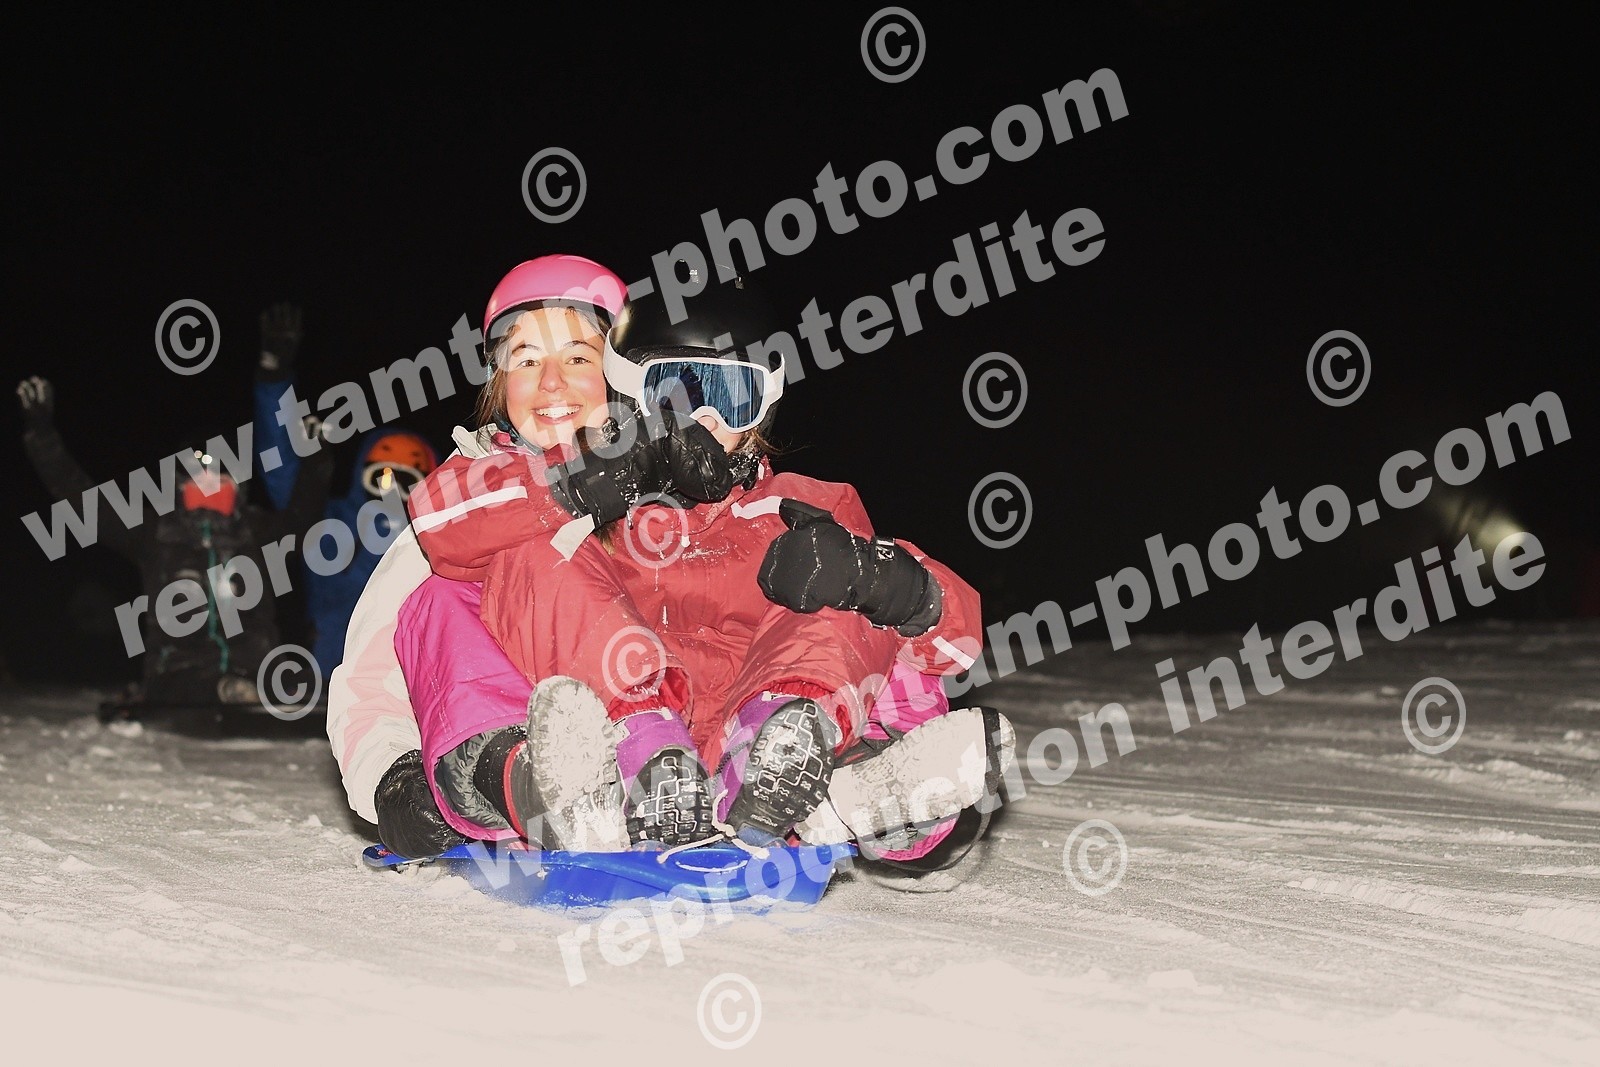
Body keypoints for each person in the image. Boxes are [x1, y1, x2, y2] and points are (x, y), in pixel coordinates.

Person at [336, 255, 1013, 863]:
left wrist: (891, 584)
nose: (704, 418)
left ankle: (847, 780)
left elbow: (945, 644)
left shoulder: (798, 503)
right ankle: (557, 777)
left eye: (578, 357)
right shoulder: (529, 500)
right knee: (510, 565)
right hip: (610, 728)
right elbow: (427, 569)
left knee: (844, 594)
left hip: (759, 730)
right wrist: (392, 774)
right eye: (677, 394)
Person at [17, 376, 332, 708]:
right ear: (181, 480)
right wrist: (42, 434)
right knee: (194, 686)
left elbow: (303, 519)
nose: (209, 482)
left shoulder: (256, 532)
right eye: (199, 471)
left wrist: (316, 459)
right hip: (179, 675)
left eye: (220, 472)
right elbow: (83, 502)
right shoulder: (156, 532)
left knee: (300, 682)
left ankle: (262, 693)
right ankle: (229, 691)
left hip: (257, 672)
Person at [250, 302, 440, 681]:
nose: (392, 490)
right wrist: (275, 379)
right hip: (333, 678)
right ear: (361, 475)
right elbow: (283, 474)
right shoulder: (332, 525)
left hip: (414, 683)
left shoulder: (439, 539)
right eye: (382, 476)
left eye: (407, 481)